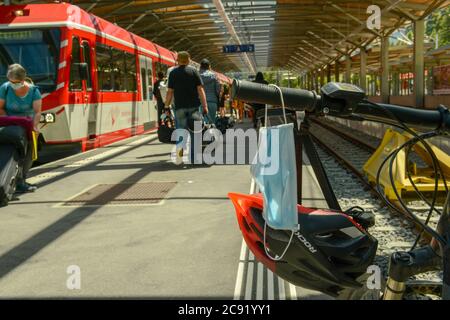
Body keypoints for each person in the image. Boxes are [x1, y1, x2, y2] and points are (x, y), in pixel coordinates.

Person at [0, 64, 42, 193]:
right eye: (10, 81)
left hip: (28, 125)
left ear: (23, 80)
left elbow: (37, 111)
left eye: (15, 82)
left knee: (29, 152)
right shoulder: (5, 88)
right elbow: (0, 107)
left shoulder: (34, 91)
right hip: (10, 124)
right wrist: (8, 121)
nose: (12, 84)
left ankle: (21, 180)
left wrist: (34, 126)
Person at [164, 51, 208, 164]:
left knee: (181, 132)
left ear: (178, 60)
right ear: (188, 60)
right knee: (195, 133)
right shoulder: (194, 71)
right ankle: (194, 159)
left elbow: (170, 92)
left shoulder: (173, 73)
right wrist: (205, 106)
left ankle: (179, 157)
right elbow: (200, 89)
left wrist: (166, 106)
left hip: (179, 107)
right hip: (194, 107)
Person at [199, 59, 221, 124]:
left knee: (198, 122)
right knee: (211, 122)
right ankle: (210, 133)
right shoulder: (214, 75)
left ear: (200, 66)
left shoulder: (196, 75)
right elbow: (218, 90)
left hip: (199, 102)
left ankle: (198, 134)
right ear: (209, 66)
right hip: (212, 101)